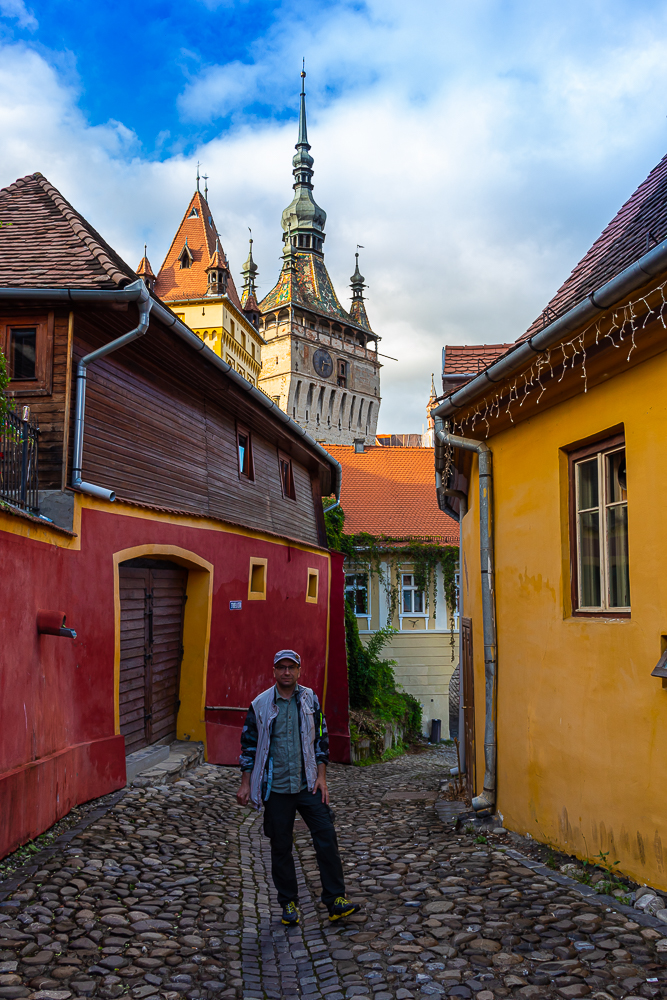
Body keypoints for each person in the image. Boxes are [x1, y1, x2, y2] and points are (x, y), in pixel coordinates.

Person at [237, 648, 361, 926]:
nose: (286, 672)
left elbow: (321, 739)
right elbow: (249, 746)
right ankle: (289, 903)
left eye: (291, 667)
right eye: (281, 667)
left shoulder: (309, 700)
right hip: (276, 788)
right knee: (281, 846)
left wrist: (322, 777)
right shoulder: (260, 704)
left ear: (299, 671)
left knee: (326, 836)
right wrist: (246, 785)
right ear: (273, 671)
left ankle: (335, 900)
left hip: (308, 785)